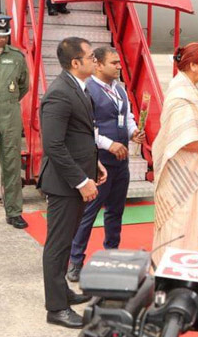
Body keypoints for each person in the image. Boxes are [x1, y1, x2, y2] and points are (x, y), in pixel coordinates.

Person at [39, 37, 107, 328]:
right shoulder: (59, 93)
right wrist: (81, 180)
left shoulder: (77, 87)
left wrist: (95, 163)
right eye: (91, 56)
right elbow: (53, 145)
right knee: (57, 246)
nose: (95, 60)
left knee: (65, 242)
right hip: (65, 184)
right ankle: (55, 309)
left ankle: (62, 292)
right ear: (75, 63)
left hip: (78, 175)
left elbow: (79, 134)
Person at [66, 47, 145, 282]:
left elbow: (127, 116)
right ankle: (75, 260)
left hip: (121, 163)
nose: (119, 66)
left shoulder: (119, 89)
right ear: (98, 65)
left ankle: (112, 254)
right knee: (88, 214)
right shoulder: (88, 90)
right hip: (99, 163)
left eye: (119, 62)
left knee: (115, 213)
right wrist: (108, 144)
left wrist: (133, 133)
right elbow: (85, 127)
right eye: (114, 63)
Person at [151, 42, 198, 265]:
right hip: (183, 171)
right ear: (192, 65)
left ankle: (195, 265)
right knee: (181, 218)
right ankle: (172, 269)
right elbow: (186, 142)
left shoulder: (197, 87)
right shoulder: (181, 93)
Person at [0, 15, 29, 228]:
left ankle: (14, 212)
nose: (2, 40)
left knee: (11, 163)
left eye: (5, 36)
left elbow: (24, 85)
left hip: (10, 114)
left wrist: (8, 102)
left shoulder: (16, 56)